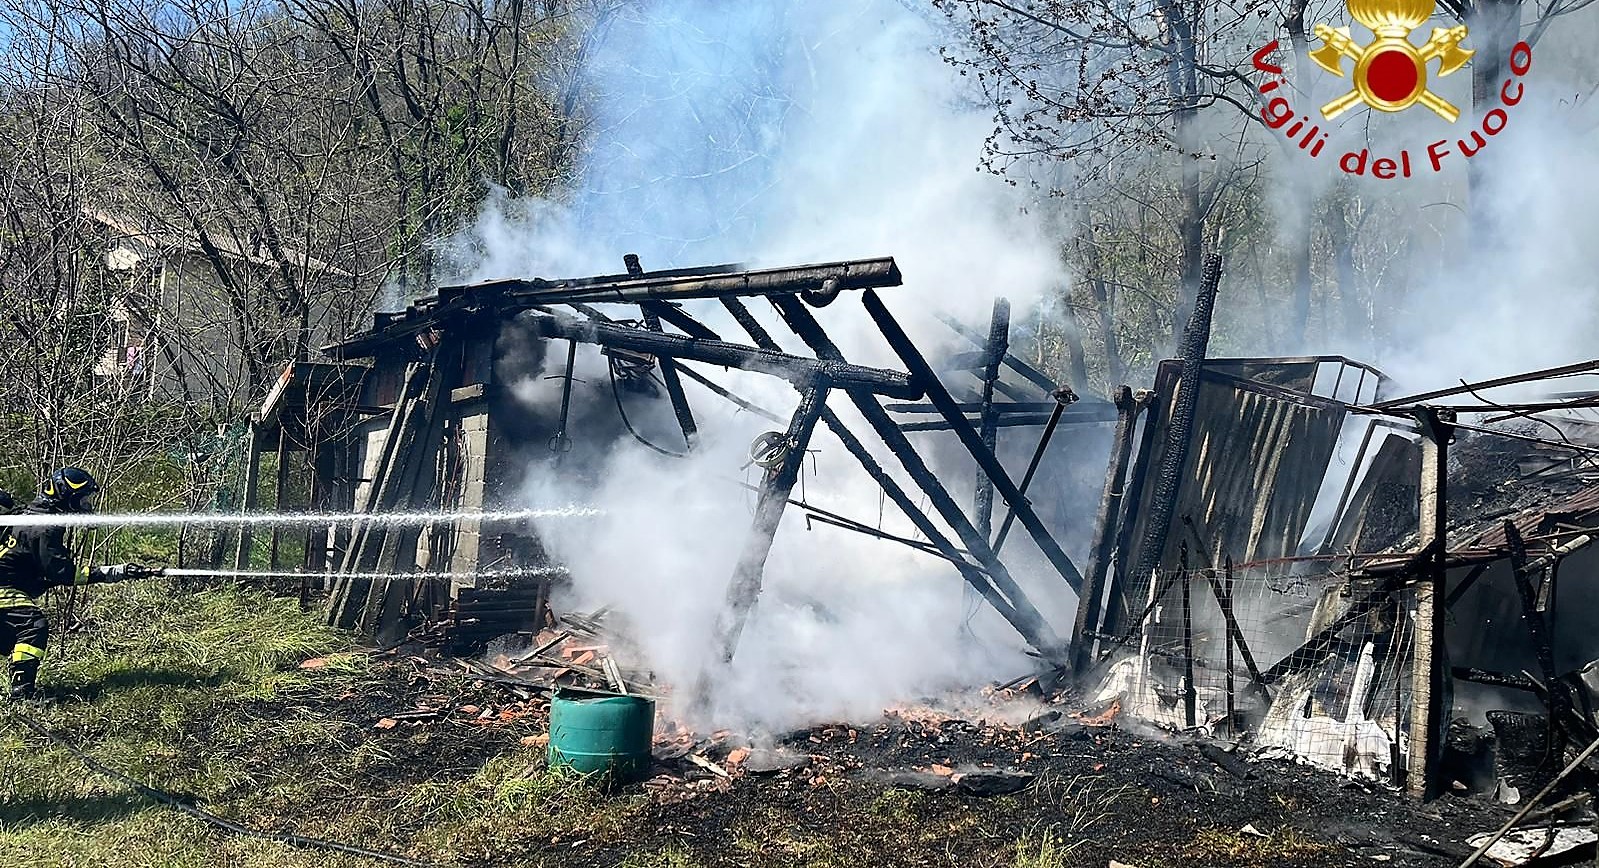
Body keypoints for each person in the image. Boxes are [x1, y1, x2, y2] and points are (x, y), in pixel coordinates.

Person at [0, 468, 160, 700]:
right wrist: (114, 572)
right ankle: (22, 694)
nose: (86, 504)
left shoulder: (29, 515)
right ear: (67, 496)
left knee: (12, 636)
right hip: (4, 590)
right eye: (82, 498)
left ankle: (20, 689)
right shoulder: (43, 527)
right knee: (32, 626)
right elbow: (65, 574)